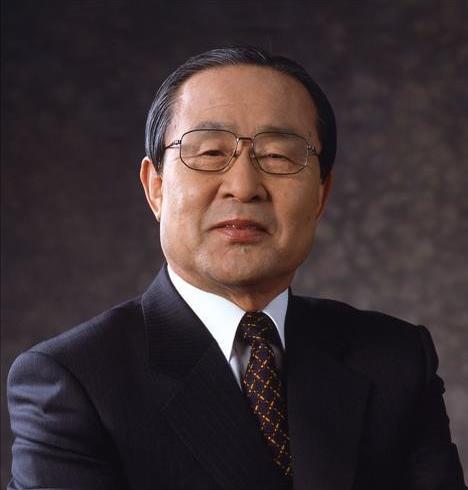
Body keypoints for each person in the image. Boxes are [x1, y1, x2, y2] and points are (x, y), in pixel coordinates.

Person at [7, 46, 466, 490]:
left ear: (321, 194)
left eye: (278, 156)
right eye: (210, 153)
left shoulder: (396, 360)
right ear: (156, 188)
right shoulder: (73, 381)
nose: (244, 187)